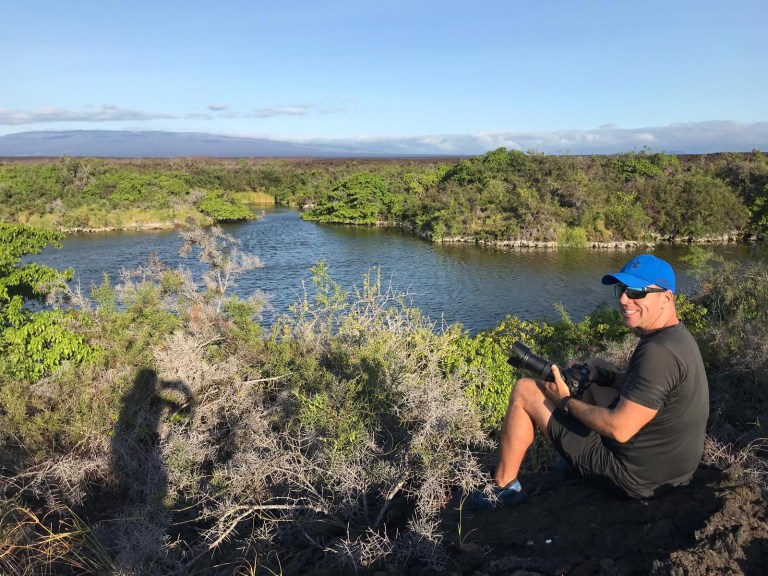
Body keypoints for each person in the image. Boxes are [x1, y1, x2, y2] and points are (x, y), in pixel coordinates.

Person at [471, 254, 709, 508]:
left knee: (525, 390)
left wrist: (564, 401)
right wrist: (605, 376)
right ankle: (573, 455)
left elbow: (620, 429)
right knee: (596, 366)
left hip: (633, 479)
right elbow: (650, 391)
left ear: (666, 298)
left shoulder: (657, 353)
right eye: (621, 290)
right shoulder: (675, 338)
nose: (623, 299)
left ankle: (503, 488)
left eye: (636, 292)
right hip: (672, 471)